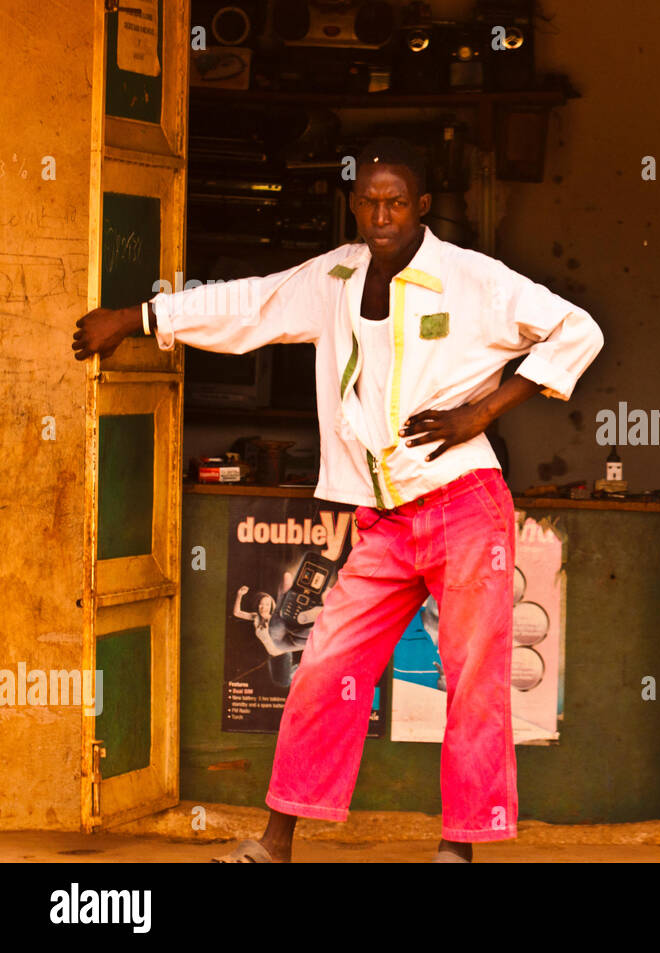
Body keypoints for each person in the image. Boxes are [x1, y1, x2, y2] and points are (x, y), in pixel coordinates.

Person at [72, 137, 604, 863]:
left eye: (396, 202)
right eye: (369, 201)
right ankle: (278, 839)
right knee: (323, 669)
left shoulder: (472, 279)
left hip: (464, 505)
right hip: (384, 521)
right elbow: (250, 303)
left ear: (422, 208)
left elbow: (579, 328)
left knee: (475, 681)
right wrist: (139, 318)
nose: (381, 215)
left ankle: (459, 847)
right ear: (353, 205)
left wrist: (483, 412)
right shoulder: (337, 276)